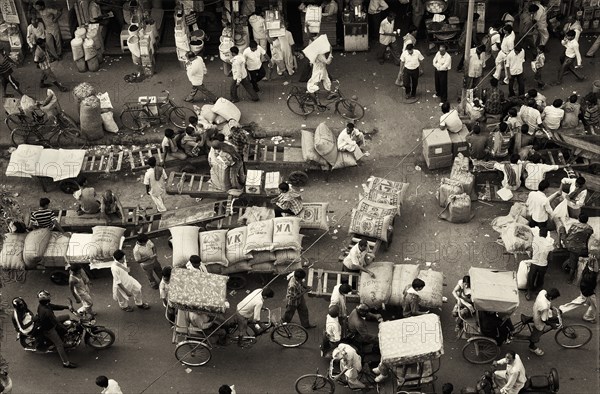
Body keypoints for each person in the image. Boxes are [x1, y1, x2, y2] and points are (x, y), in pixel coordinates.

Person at [36, 290, 77, 368]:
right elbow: (56, 323)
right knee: (59, 345)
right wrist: (66, 330)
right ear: (47, 300)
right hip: (49, 329)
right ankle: (66, 363)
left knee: (67, 317)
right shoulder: (47, 311)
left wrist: (67, 307)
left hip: (49, 322)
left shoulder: (43, 305)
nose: (49, 298)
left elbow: (54, 306)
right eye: (48, 297)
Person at [559, 256, 598, 323]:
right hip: (589, 292)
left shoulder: (586, 268)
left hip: (584, 289)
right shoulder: (592, 275)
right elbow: (596, 271)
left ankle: (562, 309)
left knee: (579, 300)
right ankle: (588, 317)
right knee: (594, 305)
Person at [559, 214, 593, 283]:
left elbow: (569, 234)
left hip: (572, 246)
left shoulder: (574, 226)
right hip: (582, 247)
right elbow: (589, 237)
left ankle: (570, 279)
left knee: (561, 228)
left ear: (579, 219)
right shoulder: (589, 229)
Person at [526, 227, 554, 301]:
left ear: (539, 234)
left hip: (534, 263)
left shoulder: (535, 241)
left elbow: (531, 251)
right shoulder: (550, 245)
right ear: (546, 235)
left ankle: (529, 292)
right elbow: (550, 257)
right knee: (540, 277)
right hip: (543, 264)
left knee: (531, 277)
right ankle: (538, 290)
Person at [529, 288, 560, 355]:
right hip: (538, 318)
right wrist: (552, 325)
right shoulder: (544, 306)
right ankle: (532, 346)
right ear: (551, 297)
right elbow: (543, 320)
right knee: (538, 332)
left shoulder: (543, 292)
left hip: (536, 309)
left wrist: (550, 306)